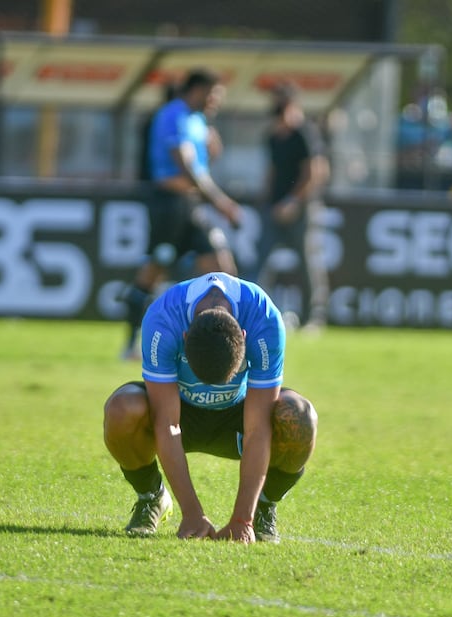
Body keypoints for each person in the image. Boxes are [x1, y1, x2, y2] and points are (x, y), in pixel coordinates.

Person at [103, 272, 317, 543]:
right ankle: (151, 497)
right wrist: (192, 513)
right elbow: (167, 424)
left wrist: (243, 519)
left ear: (243, 335)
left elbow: (258, 428)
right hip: (179, 409)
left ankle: (264, 506)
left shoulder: (264, 318)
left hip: (239, 412)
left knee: (299, 416)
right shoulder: (162, 318)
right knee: (122, 409)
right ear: (184, 336)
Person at [120, 69, 242, 359]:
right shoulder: (173, 115)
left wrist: (212, 152)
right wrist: (221, 202)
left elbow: (198, 165)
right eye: (213, 95)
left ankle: (224, 345)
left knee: (222, 270)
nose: (216, 102)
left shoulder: (197, 120)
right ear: (198, 90)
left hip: (191, 206)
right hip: (169, 206)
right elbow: (186, 166)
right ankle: (131, 344)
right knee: (154, 271)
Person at [258, 84, 331, 330]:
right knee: (260, 260)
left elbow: (315, 171)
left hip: (299, 209)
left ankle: (314, 318)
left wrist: (293, 201)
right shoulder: (273, 134)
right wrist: (269, 201)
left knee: (307, 261)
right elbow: (272, 170)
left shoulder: (304, 132)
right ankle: (254, 315)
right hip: (274, 207)